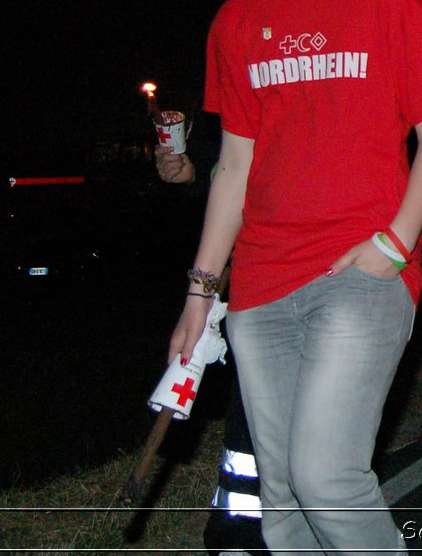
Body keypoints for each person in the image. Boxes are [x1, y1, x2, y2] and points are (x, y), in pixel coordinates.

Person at [169, 0, 422, 554]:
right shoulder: (237, 21)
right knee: (283, 494)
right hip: (263, 285)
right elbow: (234, 166)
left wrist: (393, 246)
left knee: (326, 474)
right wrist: (201, 296)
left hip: (360, 268)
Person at [155, 115, 269, 556]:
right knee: (248, 413)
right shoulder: (231, 85)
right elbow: (225, 172)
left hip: (318, 265)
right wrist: (189, 173)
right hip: (248, 276)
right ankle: (237, 533)